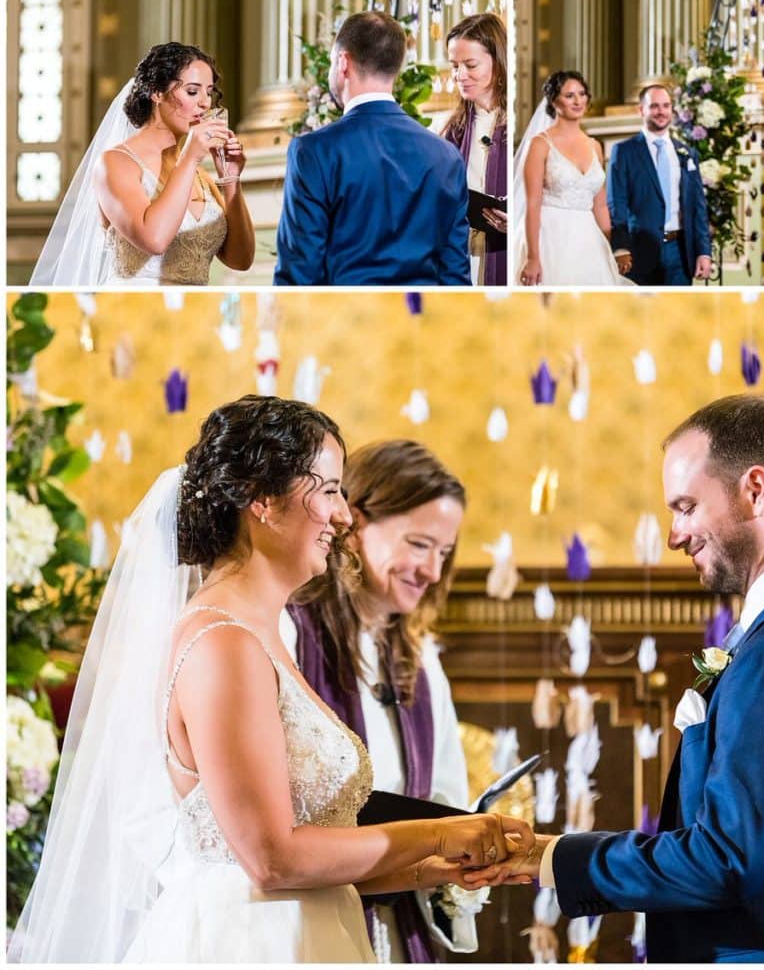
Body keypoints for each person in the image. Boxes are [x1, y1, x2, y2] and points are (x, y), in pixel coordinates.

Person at [9, 396, 532, 963]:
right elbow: (270, 860)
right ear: (262, 497)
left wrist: (434, 866)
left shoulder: (262, 637)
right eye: (329, 490)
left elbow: (310, 862)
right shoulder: (222, 644)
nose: (343, 516)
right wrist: (438, 833)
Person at [486, 394, 764, 963]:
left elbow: (727, 860)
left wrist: (551, 857)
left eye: (686, 506)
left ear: (755, 489)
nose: (674, 534)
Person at [283, 440, 476, 962]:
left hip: (397, 927)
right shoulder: (288, 634)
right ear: (356, 521)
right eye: (418, 544)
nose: (433, 571)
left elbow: (445, 794)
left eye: (444, 552)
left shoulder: (419, 658)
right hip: (310, 919)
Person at [30, 43, 255, 286]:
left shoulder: (200, 176)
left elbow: (240, 260)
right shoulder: (115, 163)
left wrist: (230, 179)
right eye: (192, 92)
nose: (204, 103)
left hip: (194, 313)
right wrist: (190, 157)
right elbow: (154, 240)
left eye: (209, 92)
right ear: (156, 93)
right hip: (133, 310)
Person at [275, 11, 471, 286]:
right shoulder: (446, 156)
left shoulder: (314, 152)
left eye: (333, 61)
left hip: (346, 322)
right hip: (422, 320)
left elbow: (298, 274)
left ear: (343, 62)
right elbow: (455, 278)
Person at [514, 70, 634, 286]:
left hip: (589, 238)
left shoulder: (594, 146)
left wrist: (611, 248)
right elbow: (532, 204)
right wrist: (533, 257)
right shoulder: (540, 144)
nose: (578, 100)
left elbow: (599, 205)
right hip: (551, 236)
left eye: (582, 94)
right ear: (554, 100)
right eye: (569, 95)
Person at [607, 85, 712, 286]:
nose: (661, 112)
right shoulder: (624, 151)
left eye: (666, 106)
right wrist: (620, 247)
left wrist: (703, 252)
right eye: (654, 106)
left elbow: (698, 207)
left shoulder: (687, 153)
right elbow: (616, 203)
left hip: (680, 251)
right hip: (639, 250)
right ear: (641, 110)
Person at [441, 13, 508, 287]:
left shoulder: (520, 124)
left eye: (470, 65)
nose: (460, 75)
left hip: (510, 252)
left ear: (498, 61)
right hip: (466, 255)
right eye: (455, 66)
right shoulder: (452, 128)